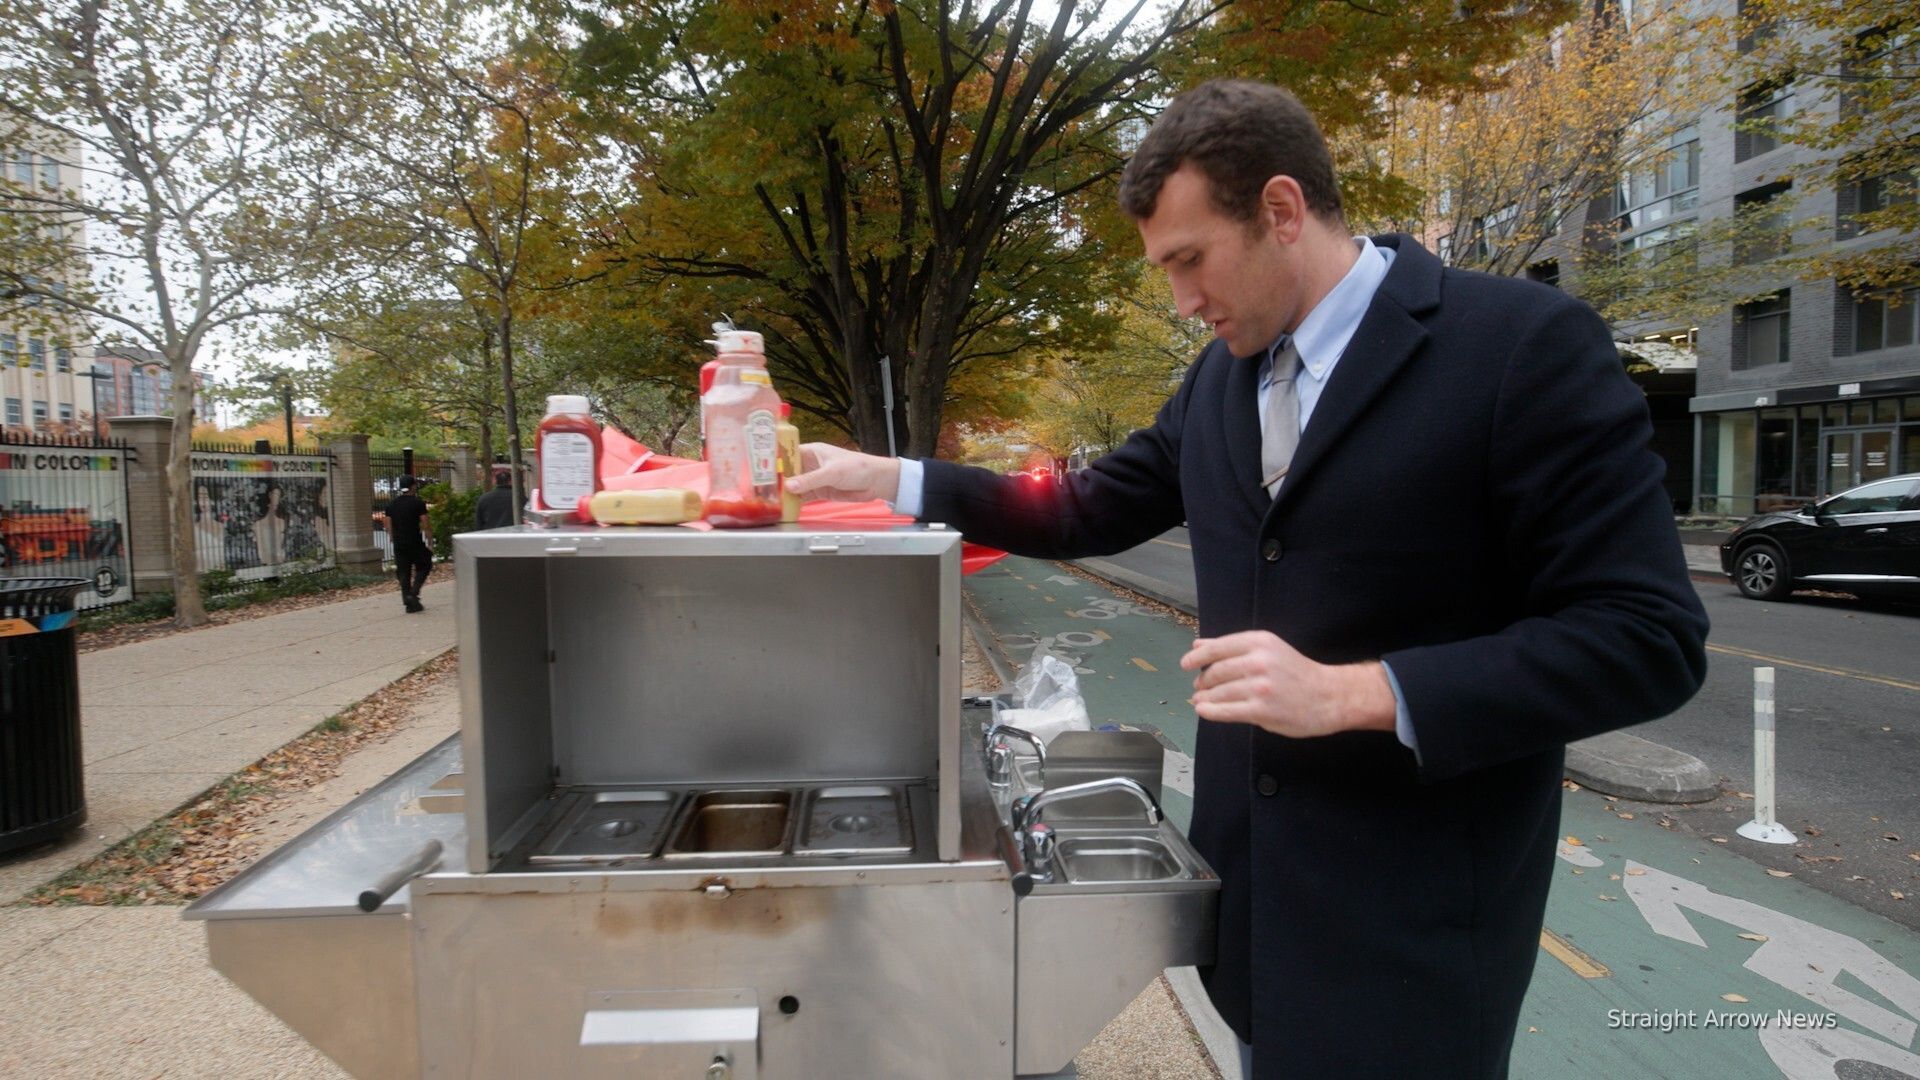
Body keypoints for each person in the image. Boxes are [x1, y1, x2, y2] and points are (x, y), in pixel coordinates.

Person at [786, 80, 1708, 1079]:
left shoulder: (1518, 347)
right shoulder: (1221, 377)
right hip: (1258, 916)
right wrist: (896, 479)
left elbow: (1648, 637)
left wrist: (1361, 690)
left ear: (1279, 210)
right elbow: (1084, 506)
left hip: (1416, 936)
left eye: (1190, 261)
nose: (1183, 303)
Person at [378, 476, 433, 613]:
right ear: (413, 486)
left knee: (403, 571)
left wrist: (392, 537)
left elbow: (387, 523)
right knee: (425, 564)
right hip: (414, 541)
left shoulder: (391, 504)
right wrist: (430, 541)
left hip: (399, 543)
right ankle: (413, 593)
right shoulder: (418, 503)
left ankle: (408, 601)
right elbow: (425, 523)